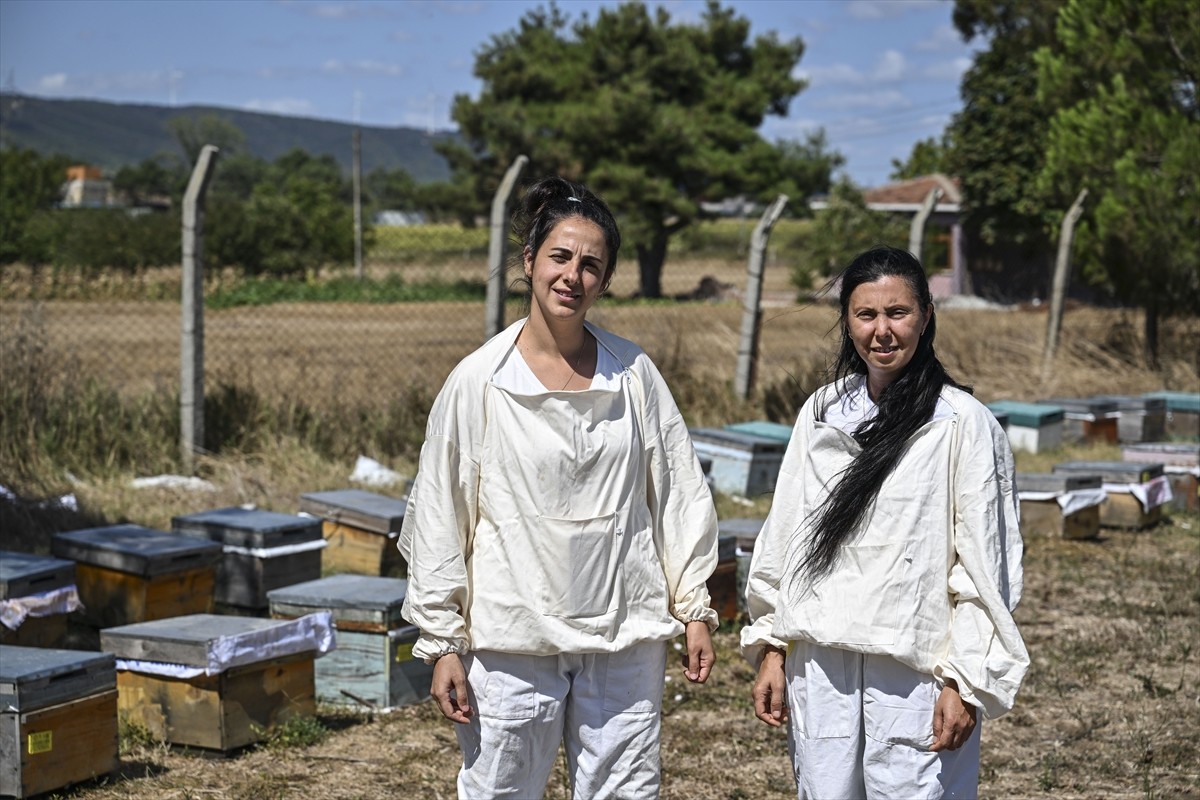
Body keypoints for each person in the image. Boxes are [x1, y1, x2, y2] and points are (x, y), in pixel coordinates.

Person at [399, 175, 719, 799]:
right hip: (513, 639)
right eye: (561, 256)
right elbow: (443, 512)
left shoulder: (635, 375)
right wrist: (441, 641)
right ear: (529, 262)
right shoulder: (479, 382)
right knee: (501, 790)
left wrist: (694, 607)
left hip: (623, 635)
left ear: (606, 279)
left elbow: (677, 492)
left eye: (592, 264)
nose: (573, 275)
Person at [741, 245, 1029, 799]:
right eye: (866, 315)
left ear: (926, 316)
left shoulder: (962, 423)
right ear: (847, 322)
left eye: (897, 313)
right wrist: (771, 646)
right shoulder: (823, 412)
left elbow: (984, 568)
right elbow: (784, 537)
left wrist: (963, 682)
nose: (882, 331)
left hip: (916, 672)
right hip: (822, 665)